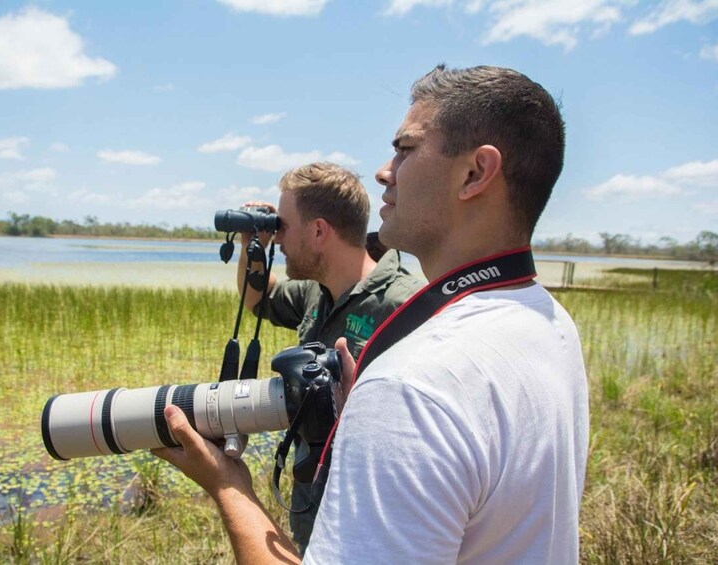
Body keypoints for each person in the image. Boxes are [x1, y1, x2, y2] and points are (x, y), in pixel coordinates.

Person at [152, 64, 589, 564]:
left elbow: (416, 404)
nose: (384, 171)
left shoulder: (412, 381)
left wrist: (228, 486)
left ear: (475, 173)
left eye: (405, 149)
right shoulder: (547, 321)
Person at [235, 161, 424, 552]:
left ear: (319, 230)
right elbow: (257, 300)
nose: (280, 239)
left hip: (369, 521)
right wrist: (252, 246)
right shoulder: (315, 293)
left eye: (282, 227)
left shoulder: (405, 303)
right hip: (314, 509)